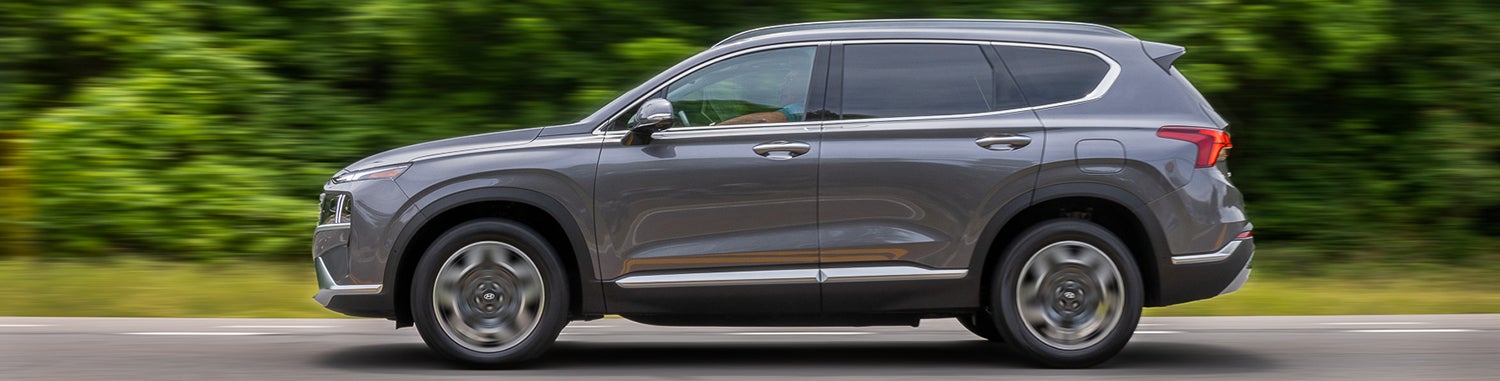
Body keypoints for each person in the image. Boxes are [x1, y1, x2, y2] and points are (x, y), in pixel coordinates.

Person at [715, 68, 808, 126]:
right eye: (784, 80)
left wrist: (719, 128)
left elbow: (763, 120)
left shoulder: (801, 108)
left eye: (790, 80)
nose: (782, 86)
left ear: (804, 85)